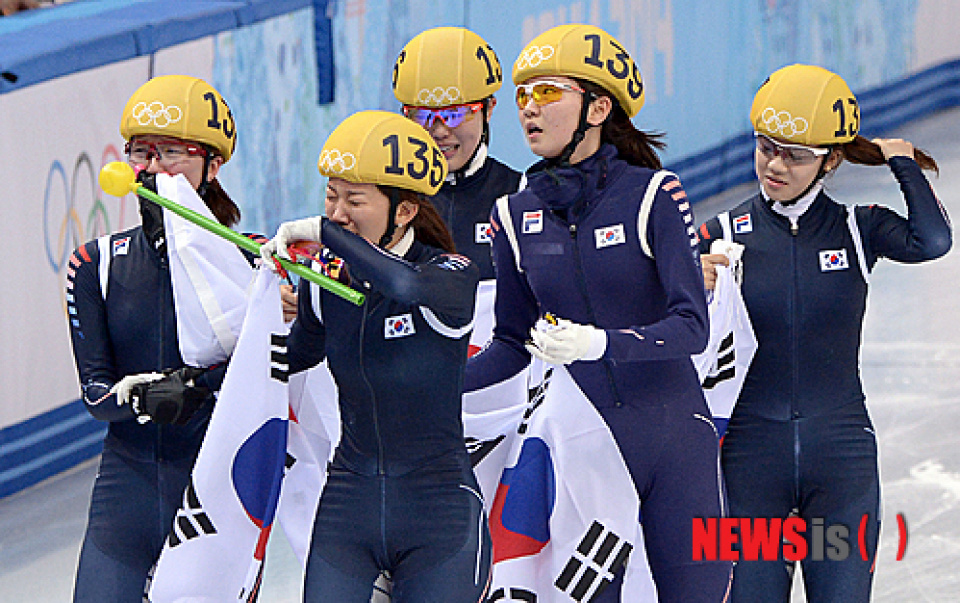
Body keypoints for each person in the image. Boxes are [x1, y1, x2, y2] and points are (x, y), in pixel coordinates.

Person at [464, 23, 732, 602]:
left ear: (598, 105)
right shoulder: (512, 214)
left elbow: (692, 326)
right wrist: (428, 385)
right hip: (586, 447)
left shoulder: (654, 194)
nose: (529, 110)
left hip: (673, 440)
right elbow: (511, 345)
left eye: (547, 93)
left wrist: (597, 344)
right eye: (521, 96)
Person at [698, 64, 952, 601]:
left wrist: (901, 161)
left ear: (831, 159)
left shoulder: (859, 230)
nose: (775, 164)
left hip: (838, 464)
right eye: (767, 146)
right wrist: (692, 284)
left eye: (795, 153)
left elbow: (932, 240)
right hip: (749, 466)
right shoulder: (718, 236)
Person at [260, 110, 490, 602]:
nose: (338, 212)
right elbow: (288, 358)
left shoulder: (449, 273)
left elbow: (403, 285)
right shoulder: (326, 280)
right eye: (331, 195)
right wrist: (194, 381)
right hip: (350, 506)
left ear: (404, 211)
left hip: (439, 512)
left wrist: (323, 231)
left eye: (354, 200)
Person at [66, 75, 255, 600]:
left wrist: (196, 386)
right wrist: (148, 395)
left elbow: (268, 373)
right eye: (140, 152)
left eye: (171, 152)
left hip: (217, 487)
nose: (151, 167)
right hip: (127, 489)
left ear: (212, 167)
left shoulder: (255, 260)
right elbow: (97, 396)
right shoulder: (93, 264)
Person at [393, 26, 523, 352]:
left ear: (489, 109)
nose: (438, 131)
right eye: (422, 115)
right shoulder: (385, 202)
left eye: (453, 114)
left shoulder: (521, 195)